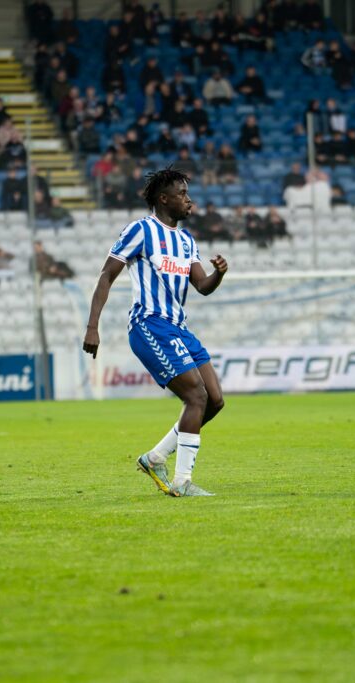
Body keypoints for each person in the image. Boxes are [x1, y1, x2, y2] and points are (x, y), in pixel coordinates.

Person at [83, 168, 228, 497]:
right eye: (182, 193)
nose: (188, 199)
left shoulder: (187, 240)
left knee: (214, 401)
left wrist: (218, 274)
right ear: (164, 199)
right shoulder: (141, 231)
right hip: (149, 324)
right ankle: (182, 482)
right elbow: (106, 276)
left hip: (179, 328)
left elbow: (202, 286)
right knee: (196, 396)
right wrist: (93, 325)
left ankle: (156, 456)